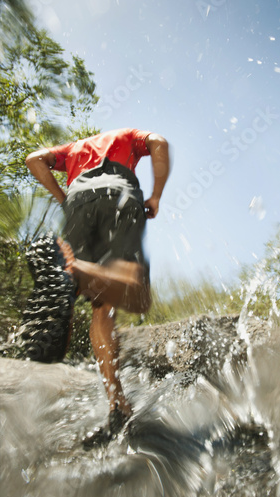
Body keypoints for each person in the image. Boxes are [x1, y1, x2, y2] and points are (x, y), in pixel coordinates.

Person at [25, 128, 170, 444]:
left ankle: (118, 405)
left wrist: (64, 199)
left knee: (102, 302)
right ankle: (72, 270)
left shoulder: (74, 148)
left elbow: (34, 159)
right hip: (118, 193)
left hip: (78, 203)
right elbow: (159, 141)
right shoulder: (127, 135)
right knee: (135, 294)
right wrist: (156, 195)